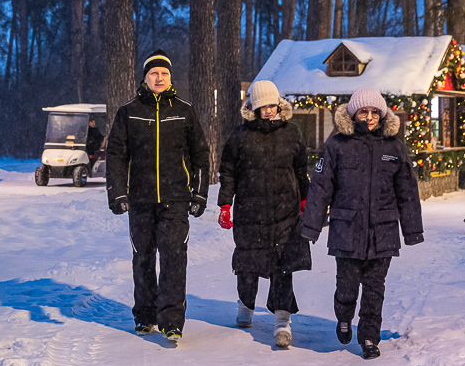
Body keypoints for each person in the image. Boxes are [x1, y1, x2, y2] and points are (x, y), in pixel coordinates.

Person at [300, 88, 424, 359]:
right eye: (363, 111)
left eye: (374, 112)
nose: (369, 117)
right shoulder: (337, 145)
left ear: (381, 114)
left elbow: (407, 190)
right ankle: (343, 316)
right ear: (354, 113)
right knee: (347, 283)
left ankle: (369, 336)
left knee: (375, 287)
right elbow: (321, 188)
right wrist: (311, 226)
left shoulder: (393, 147)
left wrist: (412, 230)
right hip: (347, 228)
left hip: (383, 230)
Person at [106, 49, 210, 342]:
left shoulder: (184, 110)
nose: (159, 77)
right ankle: (145, 315)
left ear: (170, 77)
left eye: (164, 73)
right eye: (154, 73)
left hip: (176, 199)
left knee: (175, 259)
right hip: (139, 199)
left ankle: (172, 320)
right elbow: (116, 155)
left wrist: (199, 193)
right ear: (145, 77)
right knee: (143, 258)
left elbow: (200, 154)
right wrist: (117, 192)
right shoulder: (128, 112)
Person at [217, 80, 311, 348]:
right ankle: (246, 305)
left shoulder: (292, 133)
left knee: (284, 265)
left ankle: (282, 320)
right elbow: (228, 172)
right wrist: (225, 204)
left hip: (286, 212)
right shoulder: (240, 136)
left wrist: (306, 199)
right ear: (253, 107)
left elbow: (301, 168)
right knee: (248, 265)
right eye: (262, 106)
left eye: (272, 105)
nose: (268, 110)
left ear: (279, 105)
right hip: (250, 211)